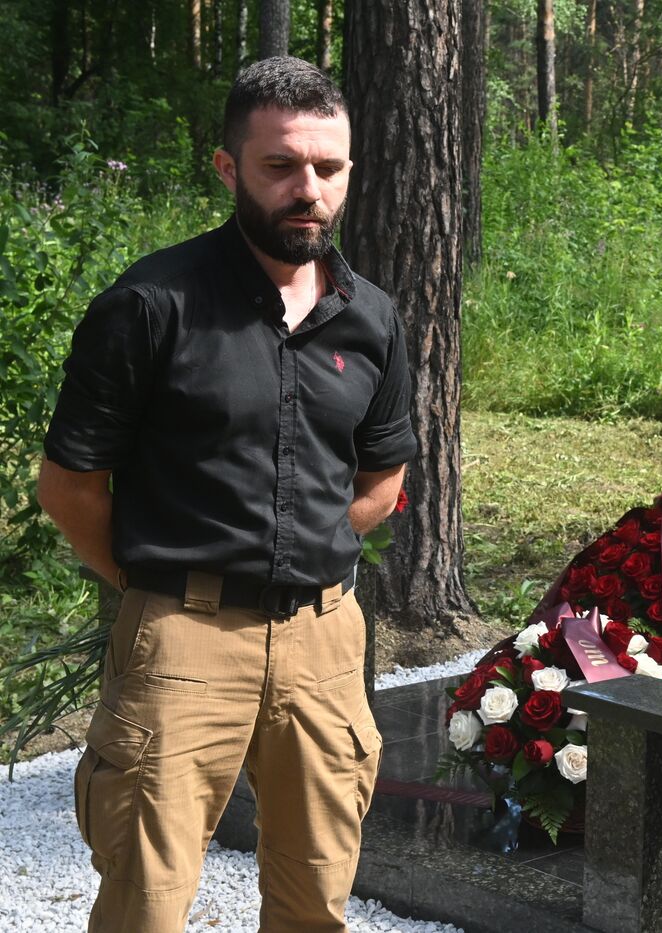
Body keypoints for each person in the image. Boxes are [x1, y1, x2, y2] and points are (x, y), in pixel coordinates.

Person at [36, 56, 416, 932]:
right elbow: (69, 486)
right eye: (280, 165)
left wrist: (307, 548)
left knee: (317, 901)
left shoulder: (373, 318)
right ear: (228, 167)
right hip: (182, 639)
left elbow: (383, 480)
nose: (307, 189)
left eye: (328, 168)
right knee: (146, 903)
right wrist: (148, 581)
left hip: (326, 644)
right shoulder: (149, 305)